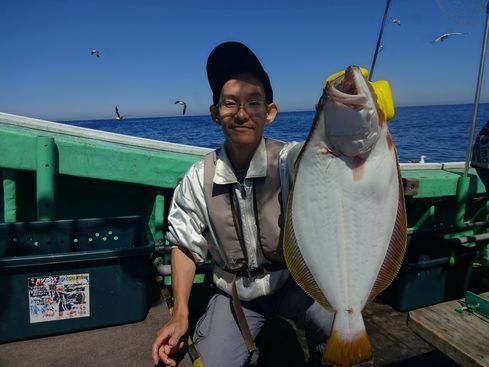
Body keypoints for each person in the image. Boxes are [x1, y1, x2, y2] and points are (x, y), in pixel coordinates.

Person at [151, 41, 333, 367]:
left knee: (341, 325)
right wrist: (180, 314)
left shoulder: (290, 160)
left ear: (270, 113)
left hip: (296, 282)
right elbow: (184, 244)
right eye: (230, 103)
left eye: (253, 102)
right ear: (215, 114)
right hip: (237, 294)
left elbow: (326, 155)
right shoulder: (198, 177)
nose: (241, 113)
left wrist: (336, 113)